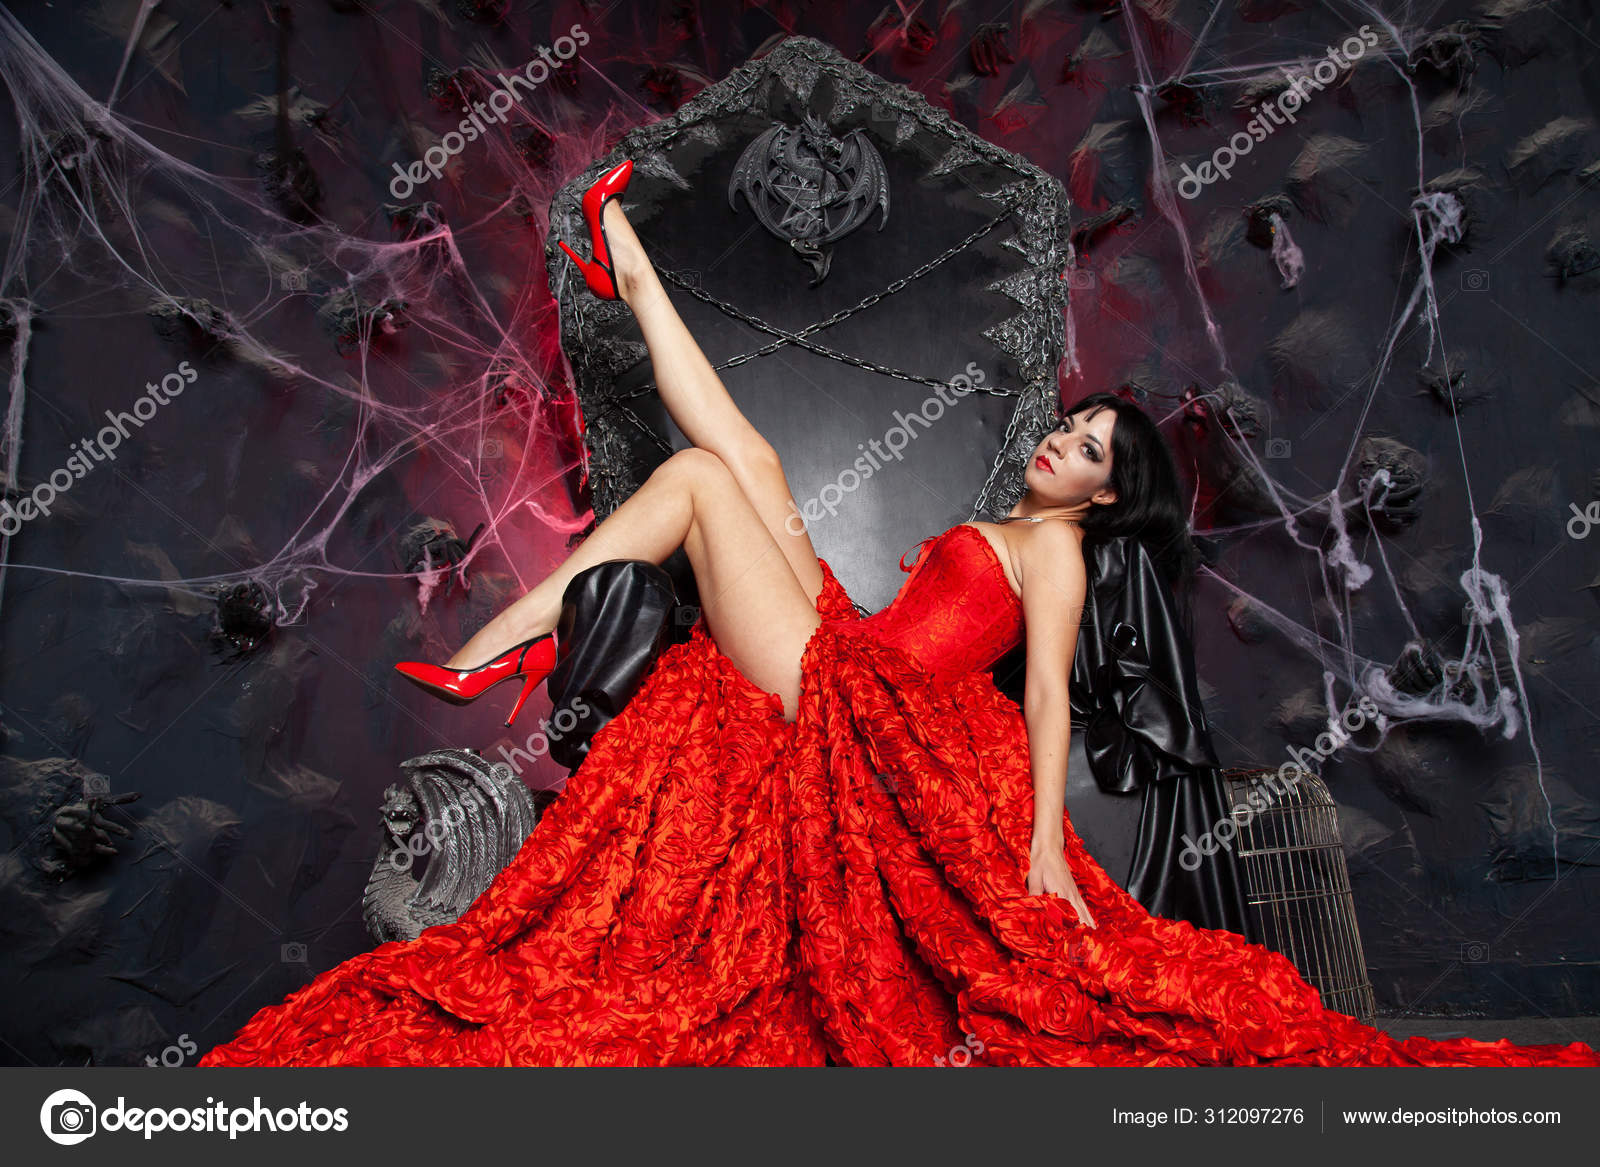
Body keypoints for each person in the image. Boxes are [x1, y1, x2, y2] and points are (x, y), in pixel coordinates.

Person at [199, 161, 1598, 1067]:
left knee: (699, 481)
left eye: (1089, 450)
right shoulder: (1019, 522)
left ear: (1107, 500)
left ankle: (496, 642)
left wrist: (1041, 851)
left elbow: (1042, 697)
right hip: (851, 651)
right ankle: (621, 262)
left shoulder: (1062, 560)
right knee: (743, 459)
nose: (1063, 441)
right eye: (1074, 424)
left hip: (873, 718)